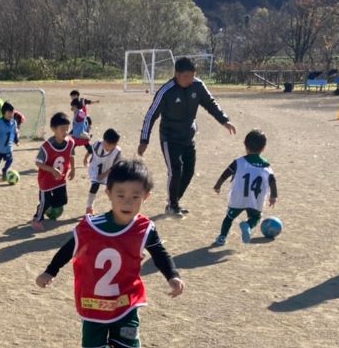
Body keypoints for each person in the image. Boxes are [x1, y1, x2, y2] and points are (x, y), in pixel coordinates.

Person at [35, 158, 184, 348]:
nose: (127, 202)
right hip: (94, 305)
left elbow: (159, 253)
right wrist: (50, 271)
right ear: (108, 194)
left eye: (135, 196)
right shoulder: (91, 226)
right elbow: (68, 248)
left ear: (146, 196)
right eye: (121, 195)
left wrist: (172, 275)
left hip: (127, 302)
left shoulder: (145, 229)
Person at [138, 56, 236, 217]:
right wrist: (144, 140)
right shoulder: (166, 91)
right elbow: (151, 116)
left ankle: (174, 201)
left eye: (192, 76)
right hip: (169, 138)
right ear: (176, 74)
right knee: (175, 170)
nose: (190, 80)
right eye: (186, 77)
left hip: (188, 137)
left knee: (188, 172)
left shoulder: (197, 86)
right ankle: (173, 205)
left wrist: (224, 121)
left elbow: (210, 103)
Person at [211, 129, 278, 245]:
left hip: (238, 198)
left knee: (229, 218)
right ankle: (248, 225)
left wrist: (218, 186)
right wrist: (273, 196)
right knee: (256, 218)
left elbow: (226, 173)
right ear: (263, 148)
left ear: (245, 145)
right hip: (256, 200)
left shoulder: (239, 162)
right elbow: (272, 181)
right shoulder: (267, 166)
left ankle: (222, 237)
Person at [31, 112, 76, 231]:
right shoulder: (46, 147)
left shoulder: (70, 142)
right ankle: (37, 219)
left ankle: (48, 208)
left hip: (60, 179)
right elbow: (38, 163)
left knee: (63, 200)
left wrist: (73, 169)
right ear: (53, 129)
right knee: (45, 201)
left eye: (67, 129)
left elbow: (71, 155)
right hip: (46, 181)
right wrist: (51, 169)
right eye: (62, 129)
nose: (65, 132)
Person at [84, 128, 122, 215]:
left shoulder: (117, 152)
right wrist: (86, 158)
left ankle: (116, 207)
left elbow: (115, 166)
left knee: (113, 189)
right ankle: (89, 207)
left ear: (116, 144)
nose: (108, 147)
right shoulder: (97, 144)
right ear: (103, 141)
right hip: (95, 169)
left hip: (108, 170)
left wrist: (105, 174)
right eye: (107, 144)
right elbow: (90, 150)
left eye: (112, 145)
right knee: (95, 185)